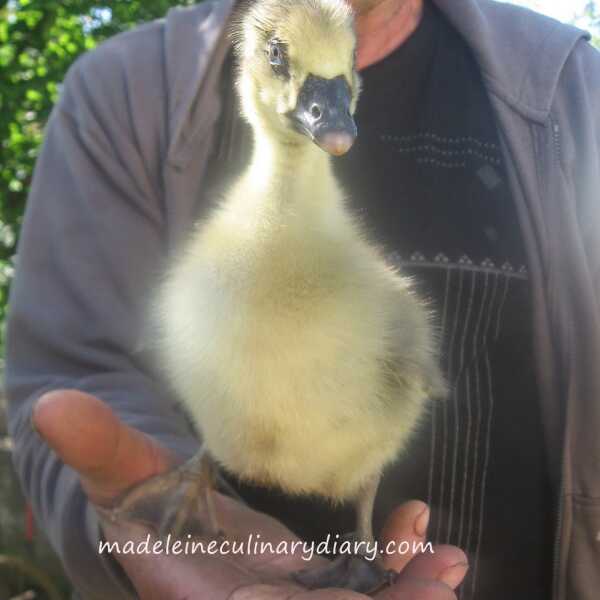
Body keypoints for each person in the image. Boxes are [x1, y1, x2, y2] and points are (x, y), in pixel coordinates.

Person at [6, 0, 600, 598]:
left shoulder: (571, 87)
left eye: (340, 79)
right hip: (213, 561)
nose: (328, 103)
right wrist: (134, 522)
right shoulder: (121, 93)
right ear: (254, 65)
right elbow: (76, 370)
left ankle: (360, 536)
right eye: (288, 64)